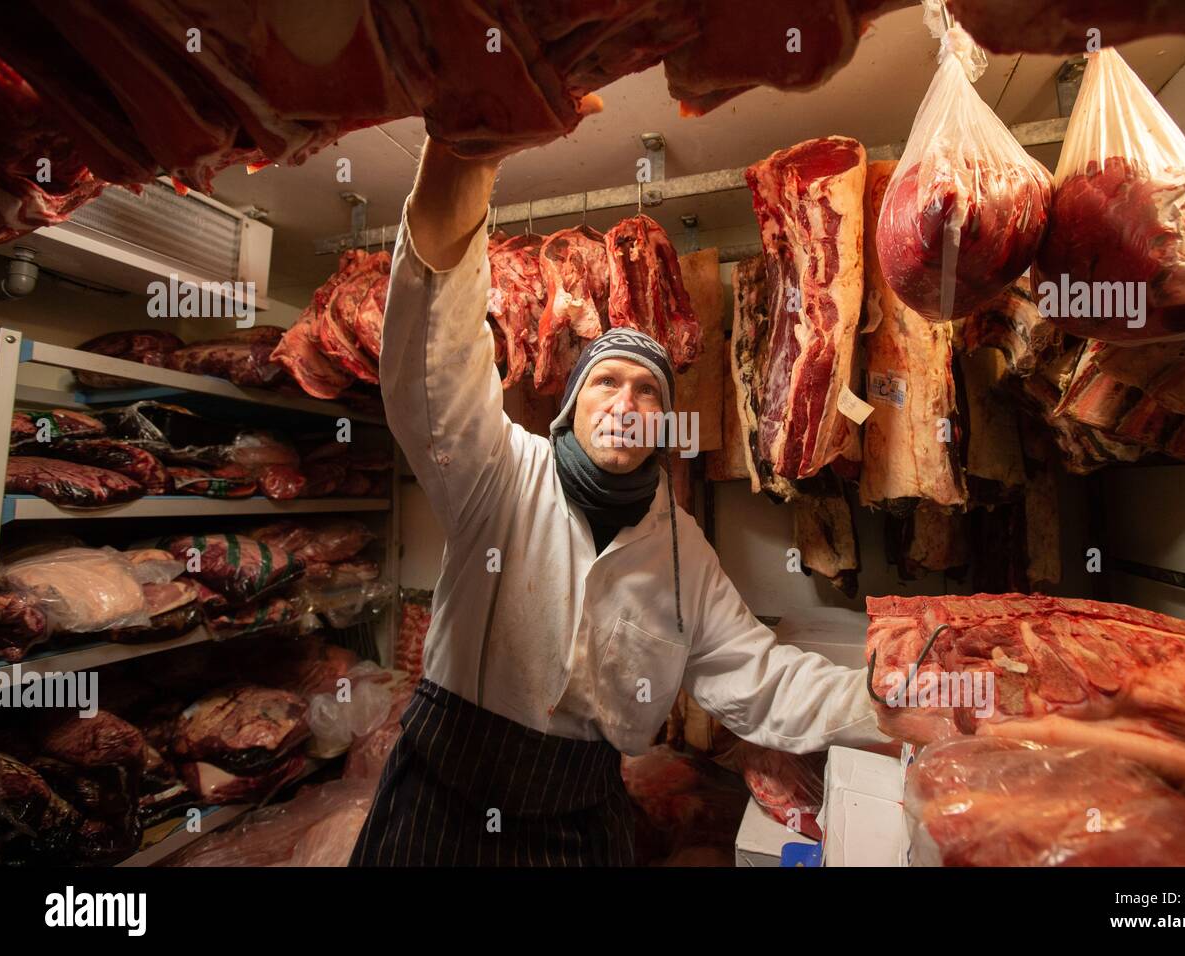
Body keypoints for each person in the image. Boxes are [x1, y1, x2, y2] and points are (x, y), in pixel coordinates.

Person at [349, 137, 888, 867]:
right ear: (570, 409)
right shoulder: (500, 474)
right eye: (606, 383)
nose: (625, 402)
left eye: (647, 392)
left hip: (580, 815)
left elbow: (761, 680)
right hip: (442, 800)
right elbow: (432, 374)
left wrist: (892, 706)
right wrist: (460, 161)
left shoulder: (681, 551)